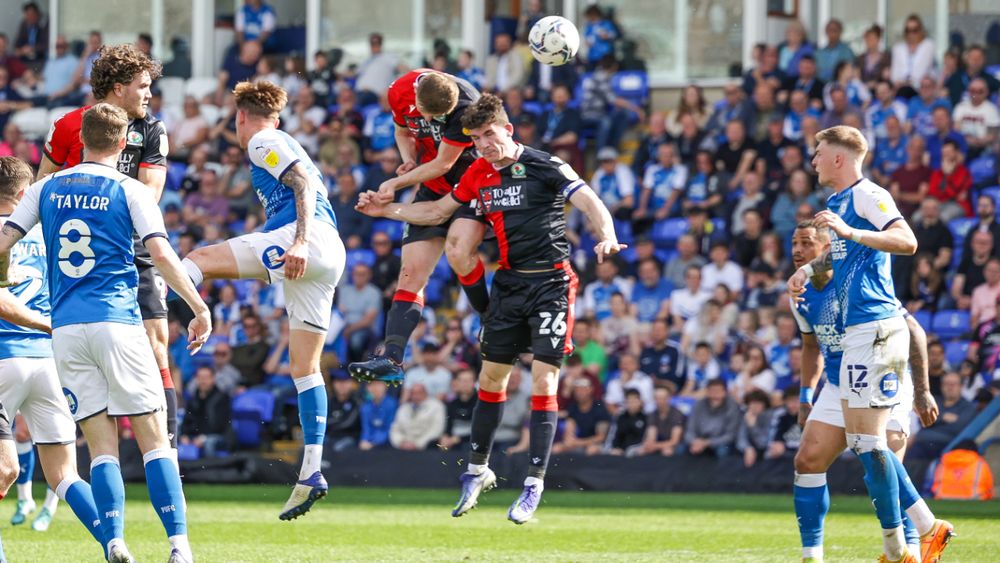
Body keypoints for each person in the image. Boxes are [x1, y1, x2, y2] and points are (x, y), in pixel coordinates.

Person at [355, 93, 624, 524]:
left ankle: (534, 483)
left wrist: (606, 234)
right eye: (476, 138)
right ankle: (478, 471)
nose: (483, 145)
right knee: (491, 377)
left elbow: (589, 200)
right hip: (510, 284)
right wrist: (387, 211)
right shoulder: (479, 172)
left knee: (544, 379)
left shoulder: (545, 164)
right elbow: (440, 210)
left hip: (552, 283)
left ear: (508, 130)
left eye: (489, 135)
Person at [0, 105, 209, 562]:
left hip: (67, 332)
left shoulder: (46, 188)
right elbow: (161, 254)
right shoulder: (130, 188)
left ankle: (114, 541)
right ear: (123, 143)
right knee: (155, 438)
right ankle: (179, 546)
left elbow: (4, 242)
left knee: (101, 446)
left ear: (81, 141)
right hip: (117, 321)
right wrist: (197, 304)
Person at [179, 81, 345, 521]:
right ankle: (311, 472)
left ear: (240, 117)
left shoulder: (263, 140)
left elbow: (302, 183)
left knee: (196, 259)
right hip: (326, 254)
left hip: (305, 243)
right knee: (304, 369)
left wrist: (302, 241)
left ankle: (174, 323)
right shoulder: (282, 139)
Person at [788, 126, 954, 563]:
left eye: (819, 153)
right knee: (850, 446)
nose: (814, 161)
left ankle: (915, 536)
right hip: (858, 331)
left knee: (869, 441)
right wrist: (808, 271)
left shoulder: (867, 194)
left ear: (839, 158)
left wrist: (851, 230)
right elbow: (843, 255)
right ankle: (906, 540)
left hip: (877, 327)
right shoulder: (837, 204)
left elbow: (907, 240)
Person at [33, 44, 180, 452]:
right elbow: (41, 185)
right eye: (143, 86)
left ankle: (167, 448)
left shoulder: (151, 129)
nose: (150, 94)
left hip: (131, 249)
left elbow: (148, 197)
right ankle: (94, 447)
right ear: (118, 88)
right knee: (78, 348)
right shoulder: (66, 126)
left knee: (156, 346)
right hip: (75, 256)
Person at [348, 70, 488, 383]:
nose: (435, 122)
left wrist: (396, 181)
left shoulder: (466, 104)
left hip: (471, 184)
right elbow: (402, 133)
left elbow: (444, 162)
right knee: (410, 274)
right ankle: (392, 359)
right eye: (429, 117)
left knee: (458, 251)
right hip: (431, 185)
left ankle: (489, 319)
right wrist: (408, 158)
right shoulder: (399, 91)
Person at [0, 157, 108, 551]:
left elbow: (2, 301)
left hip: (5, 357)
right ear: (25, 194)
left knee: (2, 471)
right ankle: (112, 541)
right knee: (65, 474)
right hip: (49, 364)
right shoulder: (50, 233)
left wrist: (46, 325)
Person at [179, 366, 232, 457]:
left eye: (206, 378)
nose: (203, 381)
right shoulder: (193, 399)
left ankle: (210, 469)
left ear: (213, 379)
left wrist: (204, 437)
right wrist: (184, 435)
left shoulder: (222, 398)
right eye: (200, 378)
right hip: (195, 436)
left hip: (217, 436)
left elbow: (220, 425)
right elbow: (186, 421)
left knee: (209, 443)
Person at [684, 379, 740, 457]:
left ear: (725, 392)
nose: (714, 394)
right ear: (707, 392)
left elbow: (730, 435)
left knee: (722, 451)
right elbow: (690, 430)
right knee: (681, 448)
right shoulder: (698, 404)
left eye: (718, 391)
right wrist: (694, 441)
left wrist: (707, 443)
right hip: (698, 440)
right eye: (712, 391)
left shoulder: (732, 407)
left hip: (720, 442)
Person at [389, 382, 446, 450]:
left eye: (419, 393)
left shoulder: (436, 406)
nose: (416, 396)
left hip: (427, 449)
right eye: (413, 393)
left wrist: (418, 444)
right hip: (403, 448)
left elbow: (436, 430)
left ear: (426, 393)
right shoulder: (403, 408)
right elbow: (395, 429)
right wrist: (401, 442)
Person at [890, 14, 936, 92]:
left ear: (920, 30)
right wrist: (901, 82)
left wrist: (911, 82)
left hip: (920, 88)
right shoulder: (898, 48)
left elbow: (924, 69)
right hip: (901, 88)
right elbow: (894, 72)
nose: (911, 34)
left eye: (914, 30)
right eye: (908, 30)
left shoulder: (928, 45)